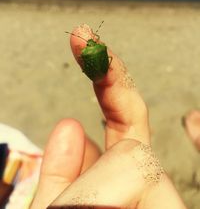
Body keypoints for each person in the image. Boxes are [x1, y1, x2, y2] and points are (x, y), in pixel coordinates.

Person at [30, 24, 187, 209]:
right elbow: (108, 58)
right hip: (101, 67)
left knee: (85, 148)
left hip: (93, 67)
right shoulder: (102, 50)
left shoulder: (87, 54)